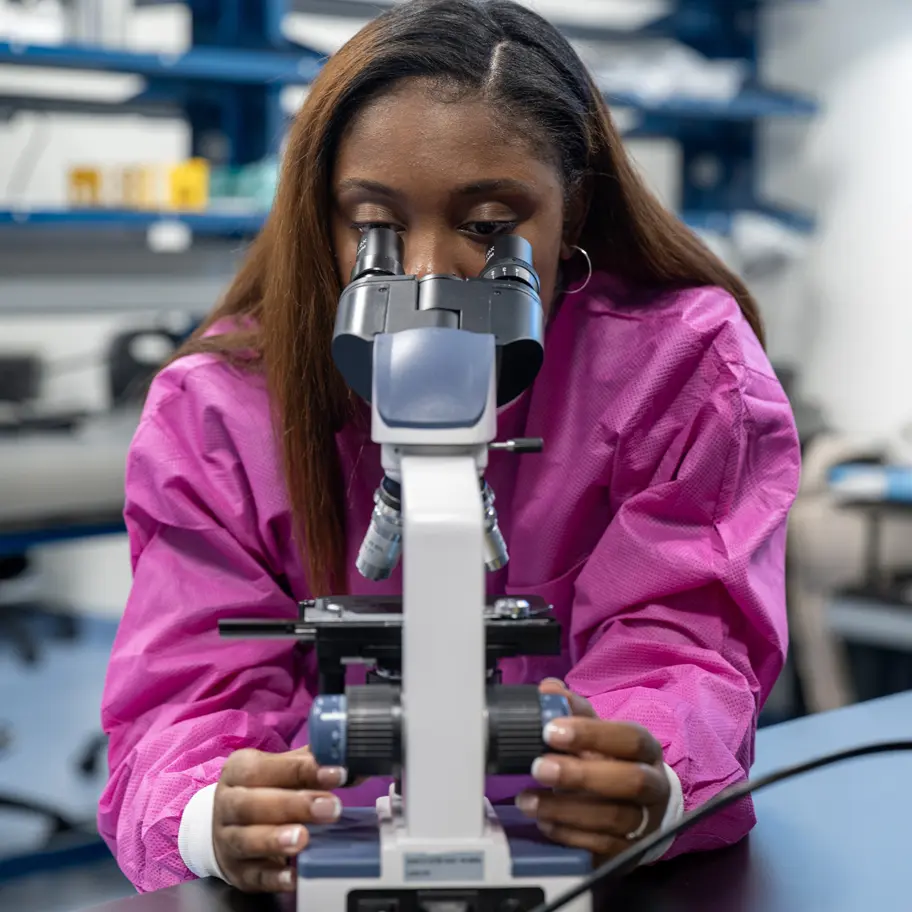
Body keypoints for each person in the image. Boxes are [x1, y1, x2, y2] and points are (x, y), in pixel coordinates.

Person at [98, 0, 800, 896]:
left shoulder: (681, 368)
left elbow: (687, 643)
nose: (429, 279)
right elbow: (185, 690)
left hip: (586, 865)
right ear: (323, 215)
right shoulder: (221, 405)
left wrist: (643, 777)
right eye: (375, 226)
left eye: (486, 226)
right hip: (322, 856)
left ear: (572, 208)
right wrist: (211, 815)